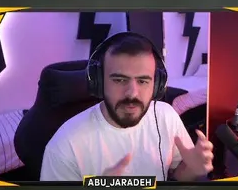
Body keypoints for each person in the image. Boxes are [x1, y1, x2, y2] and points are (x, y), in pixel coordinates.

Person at [40, 33, 214, 182]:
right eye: (119, 80)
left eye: (143, 81)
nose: (132, 93)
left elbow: (178, 176)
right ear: (98, 82)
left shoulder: (166, 117)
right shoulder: (65, 145)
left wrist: (193, 170)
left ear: (157, 86)